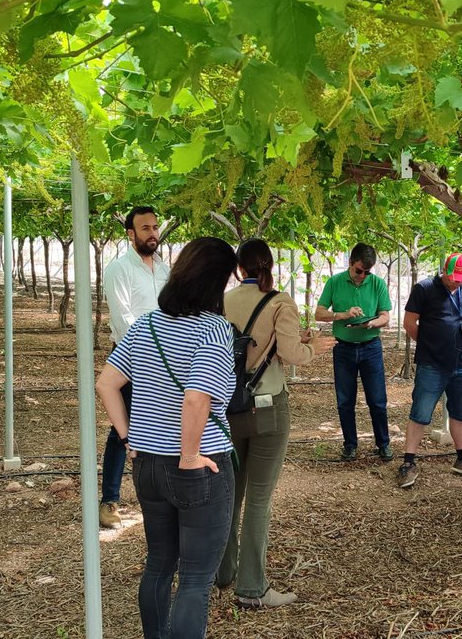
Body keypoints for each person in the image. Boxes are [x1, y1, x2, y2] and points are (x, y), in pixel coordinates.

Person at [95, 237, 237, 639]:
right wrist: (189, 455)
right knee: (194, 579)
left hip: (148, 466)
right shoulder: (214, 329)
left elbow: (107, 384)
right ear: (216, 281)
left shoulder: (147, 324)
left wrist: (128, 438)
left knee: (159, 564)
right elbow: (196, 398)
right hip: (197, 467)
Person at [219, 239, 335, 609]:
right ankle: (252, 587)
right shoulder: (281, 301)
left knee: (229, 494)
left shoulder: (221, 301)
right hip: (268, 407)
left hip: (229, 408)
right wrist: (315, 346)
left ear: (239, 268)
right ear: (269, 265)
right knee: (259, 499)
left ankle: (223, 572)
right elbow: (290, 353)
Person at [99, 206, 172, 528]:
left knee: (165, 422)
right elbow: (123, 318)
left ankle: (165, 492)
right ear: (130, 234)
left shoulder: (165, 270)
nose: (152, 233)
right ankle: (109, 501)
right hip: (132, 358)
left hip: (167, 356)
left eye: (155, 227)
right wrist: (151, 352)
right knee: (123, 428)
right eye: (145, 228)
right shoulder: (119, 269)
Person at [396, 253, 462, 488]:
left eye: (460, 279)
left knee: (460, 411)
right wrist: (428, 344)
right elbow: (409, 323)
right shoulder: (424, 288)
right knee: (421, 413)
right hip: (431, 364)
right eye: (453, 277)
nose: (456, 282)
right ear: (444, 269)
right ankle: (408, 462)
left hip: (460, 363)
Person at [315, 243, 393, 461]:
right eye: (358, 271)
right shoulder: (335, 282)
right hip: (343, 348)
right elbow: (319, 314)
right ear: (350, 263)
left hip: (371, 348)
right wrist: (342, 315)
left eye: (367, 272)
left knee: (377, 400)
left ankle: (383, 444)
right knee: (345, 400)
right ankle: (350, 445)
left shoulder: (377, 284)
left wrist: (374, 323)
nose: (362, 276)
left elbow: (385, 316)